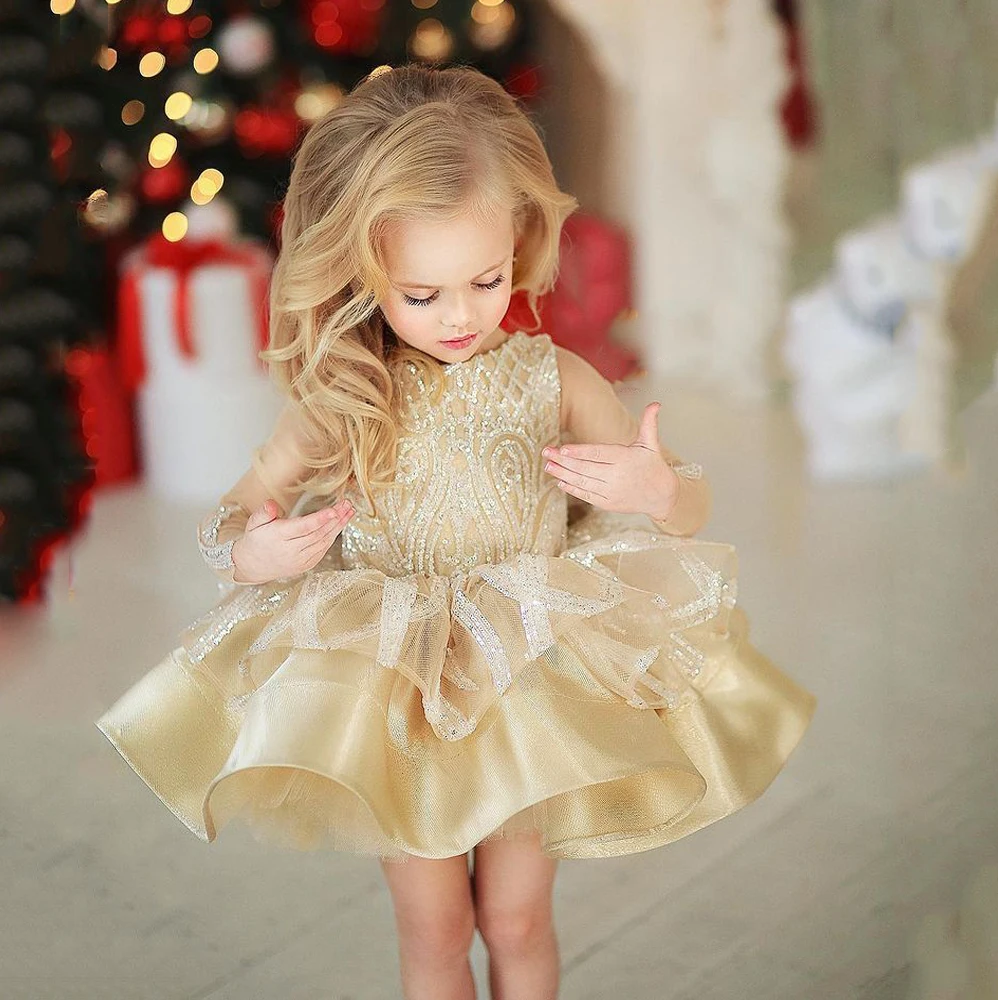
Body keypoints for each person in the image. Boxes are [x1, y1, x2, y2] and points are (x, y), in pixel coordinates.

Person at [96, 63, 817, 1000]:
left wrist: (651, 487)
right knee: (434, 928)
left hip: (529, 673)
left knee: (515, 917)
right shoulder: (346, 397)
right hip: (395, 679)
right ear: (365, 275)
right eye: (420, 294)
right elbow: (241, 507)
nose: (461, 317)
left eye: (484, 280)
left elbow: (688, 507)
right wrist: (248, 550)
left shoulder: (552, 377)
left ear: (519, 240)